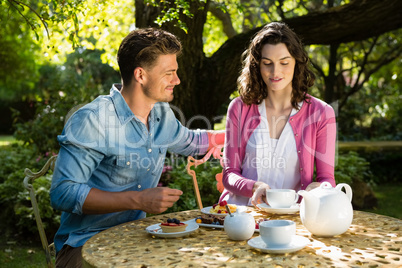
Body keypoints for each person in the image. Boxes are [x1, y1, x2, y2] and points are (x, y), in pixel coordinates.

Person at [50, 27, 224, 267]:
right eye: (169, 73)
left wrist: (239, 133)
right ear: (141, 75)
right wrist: (138, 200)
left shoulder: (161, 114)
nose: (177, 80)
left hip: (136, 237)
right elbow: (63, 193)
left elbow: (191, 141)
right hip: (85, 244)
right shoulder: (93, 120)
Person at [219, 22, 336, 207]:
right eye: (267, 63)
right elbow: (229, 174)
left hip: (293, 217)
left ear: (297, 62)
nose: (275, 72)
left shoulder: (321, 113)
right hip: (242, 215)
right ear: (257, 65)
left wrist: (321, 188)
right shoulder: (239, 108)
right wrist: (254, 186)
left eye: (284, 63)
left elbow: (327, 178)